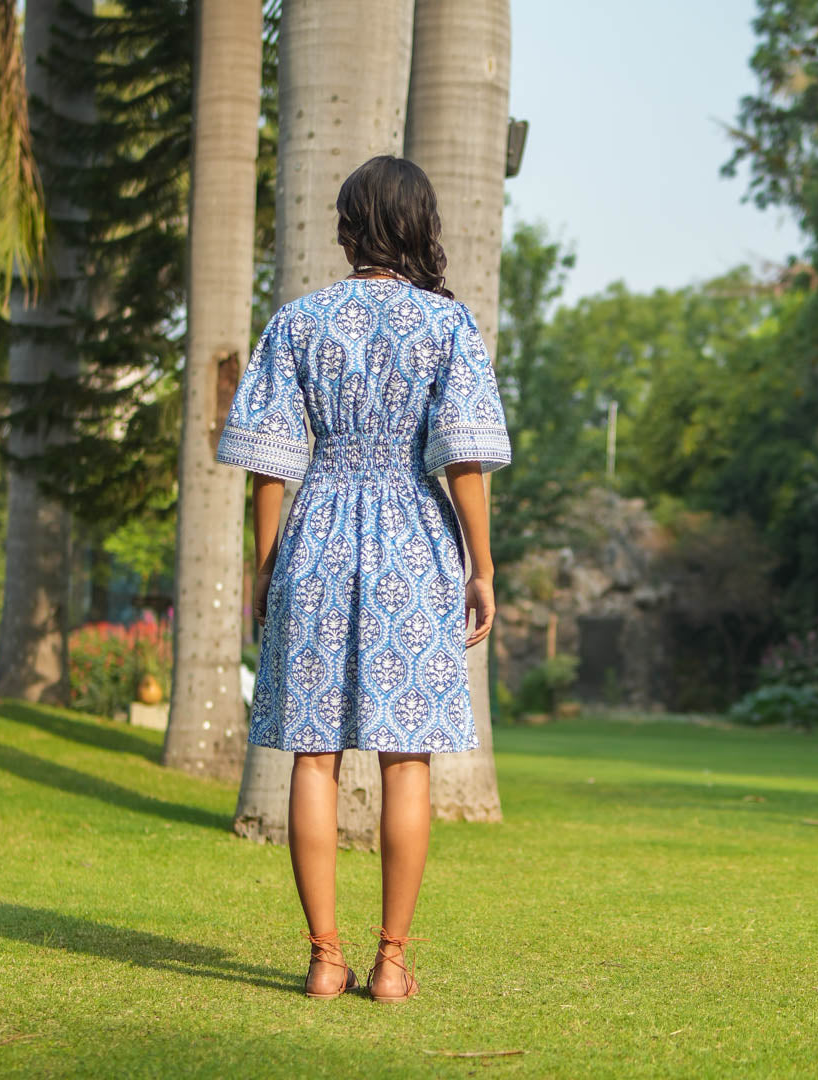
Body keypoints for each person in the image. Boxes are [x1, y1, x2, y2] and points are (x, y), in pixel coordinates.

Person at [216, 155, 512, 1002]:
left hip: (316, 533)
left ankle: (322, 959)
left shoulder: (298, 322)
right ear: (422, 225)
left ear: (349, 227)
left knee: (313, 758)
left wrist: (266, 570)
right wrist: (482, 569)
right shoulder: (447, 327)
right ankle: (389, 964)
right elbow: (464, 461)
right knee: (404, 761)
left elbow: (268, 467)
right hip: (416, 543)